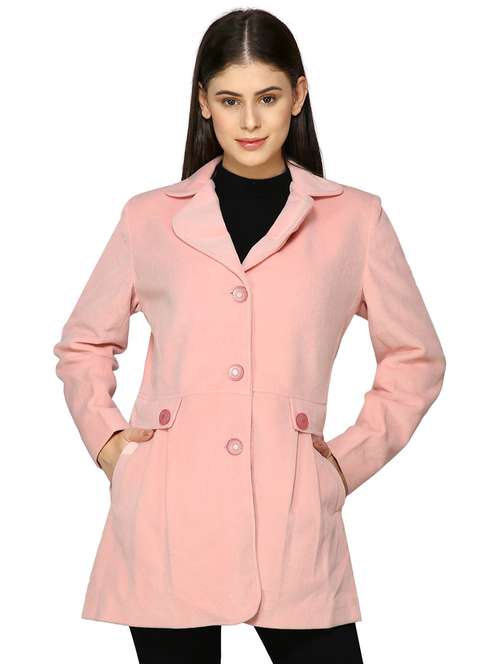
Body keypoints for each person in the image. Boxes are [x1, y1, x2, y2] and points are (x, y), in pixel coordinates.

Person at [53, 8, 446, 664]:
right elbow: (84, 343)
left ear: (298, 94)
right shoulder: (149, 218)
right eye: (230, 100)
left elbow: (416, 357)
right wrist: (109, 442)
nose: (251, 121)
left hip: (293, 515)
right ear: (203, 103)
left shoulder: (355, 219)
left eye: (267, 97)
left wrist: (346, 462)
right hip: (168, 515)